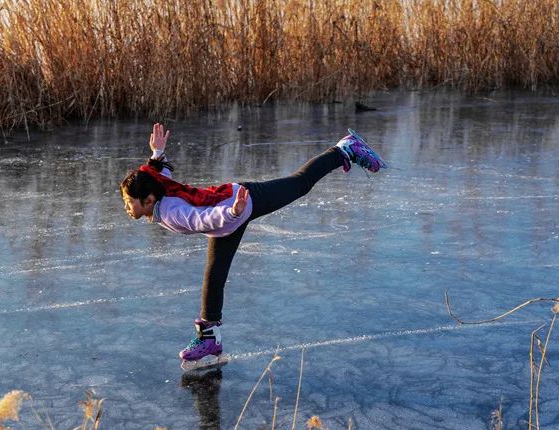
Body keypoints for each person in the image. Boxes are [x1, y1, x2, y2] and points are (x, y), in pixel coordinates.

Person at [120, 123, 386, 367]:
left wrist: (233, 213)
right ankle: (209, 338)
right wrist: (157, 152)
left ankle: (344, 150)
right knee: (213, 278)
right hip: (227, 220)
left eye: (129, 201)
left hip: (238, 205)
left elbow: (203, 219)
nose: (126, 207)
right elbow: (160, 174)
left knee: (299, 183)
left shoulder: (171, 212)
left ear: (149, 200)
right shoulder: (160, 194)